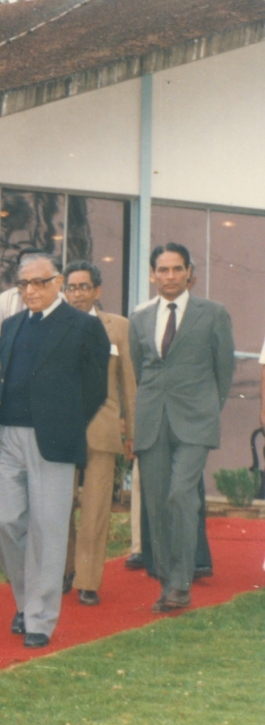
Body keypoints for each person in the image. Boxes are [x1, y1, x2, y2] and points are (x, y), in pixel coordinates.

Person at [0, 254, 109, 649]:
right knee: (0, 521)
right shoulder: (13, 323)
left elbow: (96, 389)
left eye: (40, 282)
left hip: (53, 441)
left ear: (58, 283)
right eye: (24, 284)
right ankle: (27, 599)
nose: (31, 290)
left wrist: (65, 421)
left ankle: (39, 619)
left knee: (48, 530)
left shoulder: (84, 326)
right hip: (8, 436)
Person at [128, 243, 233, 613]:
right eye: (162, 269)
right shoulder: (139, 318)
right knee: (156, 504)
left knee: (180, 495)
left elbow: (224, 371)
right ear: (153, 274)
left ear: (189, 272)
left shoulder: (213, 314)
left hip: (195, 422)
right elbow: (142, 371)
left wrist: (206, 410)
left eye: (177, 269)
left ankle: (182, 582)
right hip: (152, 421)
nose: (169, 276)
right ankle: (169, 582)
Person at [60, 261, 136, 606]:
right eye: (71, 287)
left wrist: (132, 432)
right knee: (58, 508)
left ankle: (88, 580)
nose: (77, 293)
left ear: (97, 291)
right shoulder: (52, 325)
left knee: (95, 510)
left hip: (103, 433)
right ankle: (65, 569)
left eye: (83, 287)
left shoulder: (118, 327)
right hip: (60, 433)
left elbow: (129, 386)